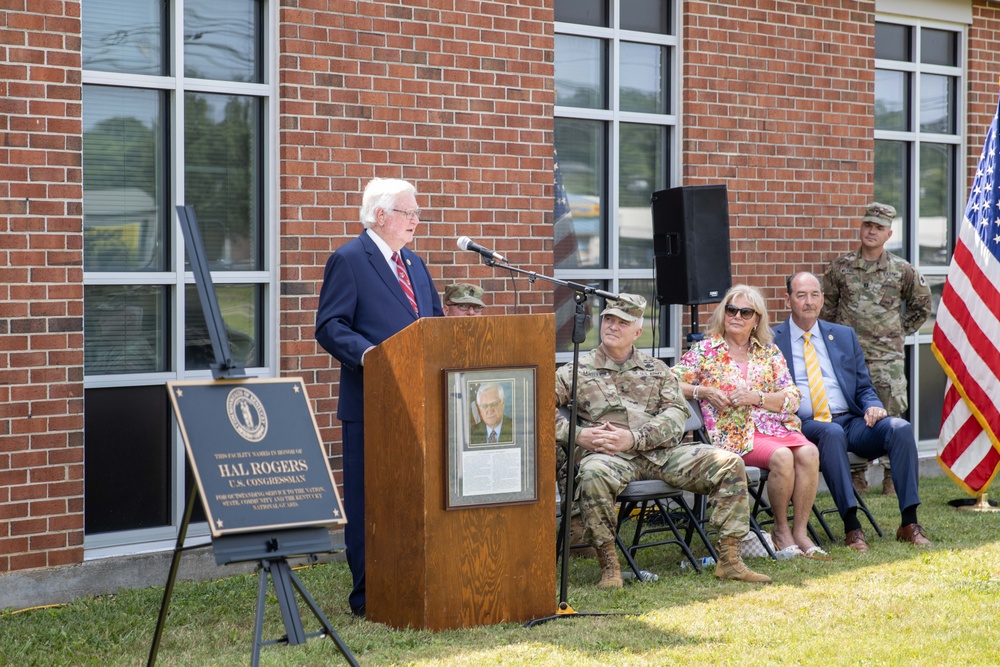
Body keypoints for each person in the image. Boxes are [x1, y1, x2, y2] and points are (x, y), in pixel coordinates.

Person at [555, 293, 771, 588]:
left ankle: (730, 560)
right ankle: (609, 566)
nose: (613, 326)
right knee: (593, 473)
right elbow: (537, 406)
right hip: (610, 457)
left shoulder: (656, 369)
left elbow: (676, 415)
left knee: (728, 463)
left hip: (661, 454)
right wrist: (578, 434)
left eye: (622, 322)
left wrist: (634, 438)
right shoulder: (575, 370)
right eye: (608, 319)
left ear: (637, 332)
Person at [315, 177, 444, 617]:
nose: (416, 220)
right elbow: (330, 326)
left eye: (416, 213)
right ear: (381, 215)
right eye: (409, 212)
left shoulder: (415, 264)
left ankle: (411, 579)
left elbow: (436, 326)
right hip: (372, 403)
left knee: (414, 496)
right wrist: (372, 356)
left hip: (421, 403)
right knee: (370, 501)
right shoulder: (349, 259)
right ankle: (368, 595)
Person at [773, 272, 931, 551]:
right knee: (831, 432)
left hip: (851, 421)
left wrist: (872, 404)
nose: (808, 302)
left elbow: (863, 386)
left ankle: (909, 522)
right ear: (788, 300)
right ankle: (852, 527)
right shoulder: (773, 340)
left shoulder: (842, 336)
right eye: (801, 295)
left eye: (814, 295)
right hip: (805, 425)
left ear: (822, 299)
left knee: (901, 429)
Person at [672, 285, 826, 560]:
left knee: (810, 452)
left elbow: (793, 396)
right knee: (782, 457)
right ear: (723, 313)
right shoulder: (706, 350)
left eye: (746, 312)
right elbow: (669, 381)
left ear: (756, 320)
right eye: (732, 310)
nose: (737, 317)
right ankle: (781, 530)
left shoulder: (768, 352)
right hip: (734, 435)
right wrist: (702, 392)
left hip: (774, 427)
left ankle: (801, 531)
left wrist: (758, 397)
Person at [821, 202, 931, 496]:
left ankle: (893, 478)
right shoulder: (840, 267)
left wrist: (897, 331)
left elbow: (922, 307)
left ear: (889, 233)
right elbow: (827, 309)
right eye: (868, 225)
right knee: (849, 413)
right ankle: (856, 476)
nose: (871, 231)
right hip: (846, 359)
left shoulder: (902, 271)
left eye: (878, 228)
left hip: (886, 360)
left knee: (892, 415)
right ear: (861, 227)